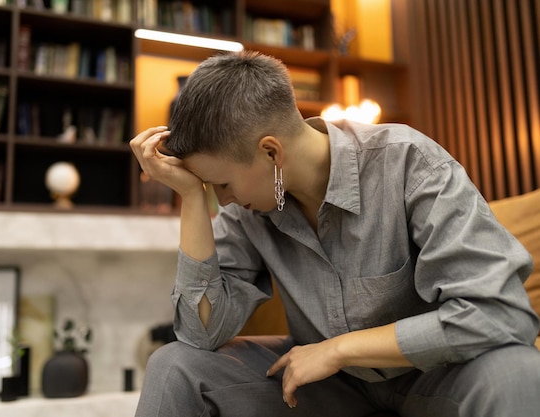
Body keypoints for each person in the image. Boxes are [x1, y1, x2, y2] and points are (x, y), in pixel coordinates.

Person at [130, 51, 540, 417]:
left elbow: (501, 314)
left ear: (271, 152)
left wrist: (339, 349)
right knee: (175, 366)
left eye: (221, 185)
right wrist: (191, 196)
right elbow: (200, 335)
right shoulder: (252, 210)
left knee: (517, 371)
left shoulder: (410, 163)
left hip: (433, 376)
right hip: (323, 390)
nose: (226, 201)